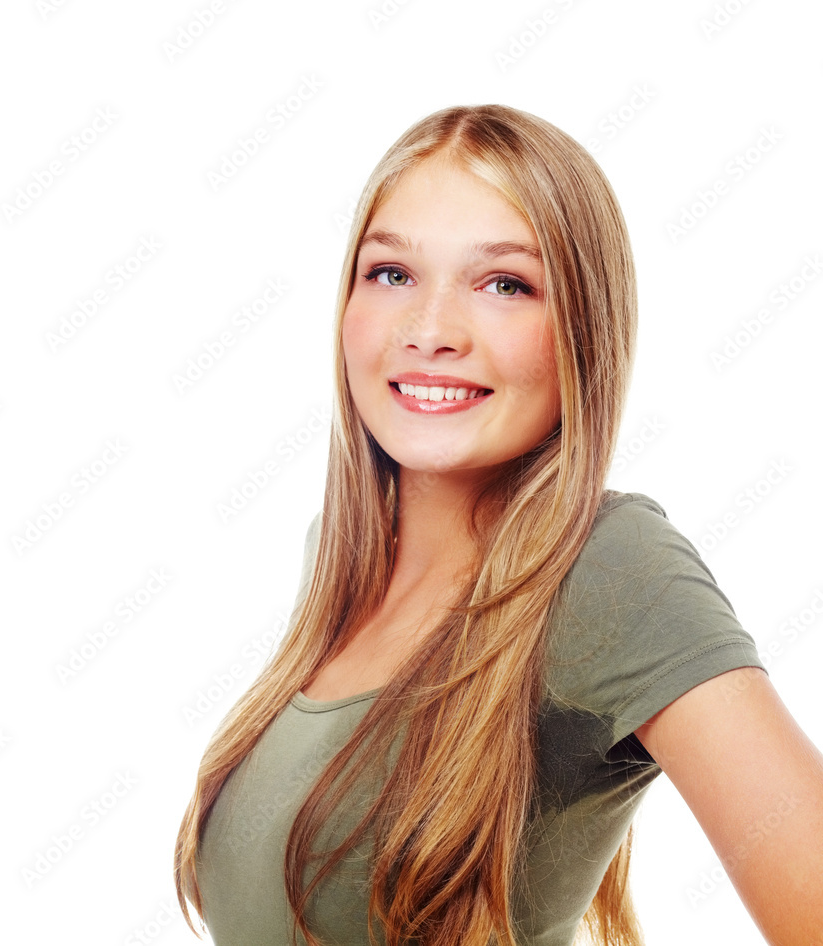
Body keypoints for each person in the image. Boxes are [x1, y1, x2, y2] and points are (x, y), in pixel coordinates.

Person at [174, 104, 823, 946]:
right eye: (392, 274)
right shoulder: (340, 566)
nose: (430, 331)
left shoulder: (609, 566)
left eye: (504, 284)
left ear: (582, 331)